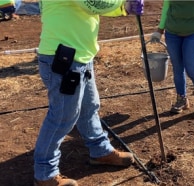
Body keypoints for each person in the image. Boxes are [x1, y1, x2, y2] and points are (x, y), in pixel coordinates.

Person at [34, 1, 143, 186]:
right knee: (61, 117)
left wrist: (123, 8)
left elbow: (91, 7)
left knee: (89, 108)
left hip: (79, 56)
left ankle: (100, 151)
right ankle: (45, 173)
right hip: (64, 58)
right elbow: (93, 2)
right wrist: (123, 3)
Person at [150, 0, 194, 116]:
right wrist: (159, 30)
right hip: (172, 33)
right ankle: (182, 99)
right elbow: (166, 7)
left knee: (192, 69)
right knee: (178, 68)